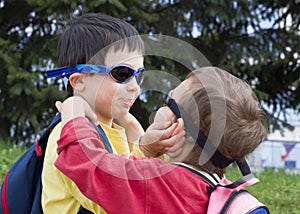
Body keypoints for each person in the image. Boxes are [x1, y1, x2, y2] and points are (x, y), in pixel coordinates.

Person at [54, 67, 268, 213]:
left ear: (177, 126)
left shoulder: (156, 181)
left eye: (169, 101)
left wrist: (74, 115)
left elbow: (87, 164)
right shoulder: (221, 193)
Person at [42, 13, 184, 213]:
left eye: (138, 75)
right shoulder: (66, 137)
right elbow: (115, 197)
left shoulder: (112, 129)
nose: (134, 87)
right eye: (122, 74)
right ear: (79, 82)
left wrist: (147, 148)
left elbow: (127, 172)